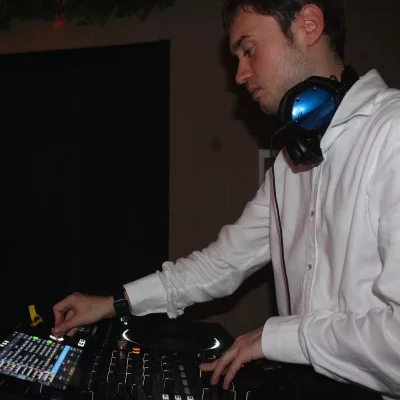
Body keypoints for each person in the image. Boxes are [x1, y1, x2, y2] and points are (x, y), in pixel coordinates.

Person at [52, 0, 400, 398]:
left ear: (308, 24)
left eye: (248, 49)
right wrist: (114, 302)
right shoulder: (291, 162)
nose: (240, 74)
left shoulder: (391, 134)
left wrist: (276, 337)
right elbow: (222, 264)